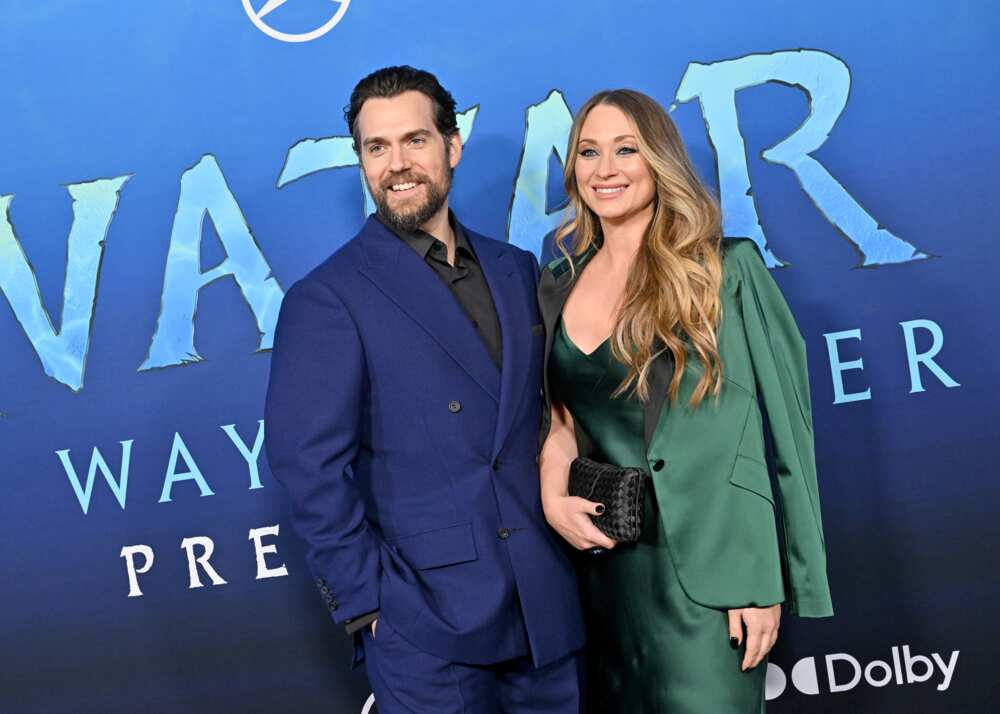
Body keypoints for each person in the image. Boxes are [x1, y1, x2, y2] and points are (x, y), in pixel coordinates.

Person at [264, 66, 584, 713]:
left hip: (546, 609)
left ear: (452, 147)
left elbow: (542, 412)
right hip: (428, 631)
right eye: (376, 148)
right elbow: (306, 467)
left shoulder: (515, 269)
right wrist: (368, 606)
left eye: (414, 140)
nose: (396, 165)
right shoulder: (327, 299)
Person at [537, 89, 834, 713]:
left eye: (626, 149)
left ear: (659, 161)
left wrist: (771, 581)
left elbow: (790, 435)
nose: (605, 169)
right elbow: (565, 414)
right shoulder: (558, 281)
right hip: (609, 576)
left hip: (713, 580)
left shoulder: (728, 270)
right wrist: (549, 481)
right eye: (588, 152)